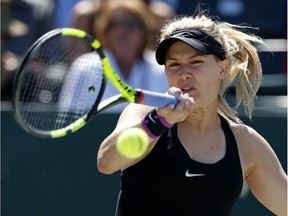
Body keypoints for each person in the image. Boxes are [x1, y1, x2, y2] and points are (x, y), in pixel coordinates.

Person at [97, 9, 287, 216]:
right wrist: (160, 121)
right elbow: (107, 162)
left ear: (222, 69)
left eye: (196, 62)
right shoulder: (144, 114)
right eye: (174, 65)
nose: (184, 74)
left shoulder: (246, 143)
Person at [92, 0, 169, 112]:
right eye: (114, 24)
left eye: (130, 24)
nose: (122, 31)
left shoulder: (162, 69)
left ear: (144, 30)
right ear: (105, 30)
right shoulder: (85, 67)